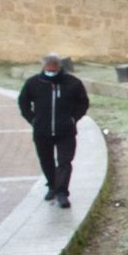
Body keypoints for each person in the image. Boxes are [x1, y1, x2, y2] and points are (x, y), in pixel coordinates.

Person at [17, 54, 89, 208]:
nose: (51, 70)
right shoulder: (33, 83)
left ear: (59, 67)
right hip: (42, 131)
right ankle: (52, 186)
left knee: (64, 161)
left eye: (54, 68)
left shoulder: (73, 83)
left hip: (66, 131)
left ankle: (62, 192)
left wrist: (73, 118)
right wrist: (33, 120)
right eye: (48, 67)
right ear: (43, 67)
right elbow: (23, 103)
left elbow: (83, 102)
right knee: (46, 160)